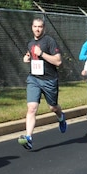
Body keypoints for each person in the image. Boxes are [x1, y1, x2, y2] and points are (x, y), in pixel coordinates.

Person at [17, 17, 68, 150]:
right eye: (35, 26)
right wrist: (27, 57)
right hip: (34, 79)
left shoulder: (50, 41)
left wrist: (42, 54)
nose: (37, 29)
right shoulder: (30, 42)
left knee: (53, 107)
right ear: (32, 27)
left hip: (49, 79)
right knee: (32, 108)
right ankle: (28, 137)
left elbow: (58, 61)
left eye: (40, 26)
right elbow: (30, 54)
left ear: (44, 28)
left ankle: (61, 117)